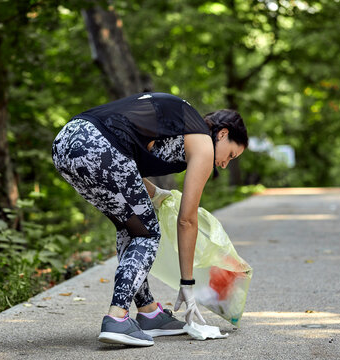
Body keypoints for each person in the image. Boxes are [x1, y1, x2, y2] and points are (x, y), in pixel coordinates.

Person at [52, 92, 248, 347]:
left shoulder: (180, 124)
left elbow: (126, 155)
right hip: (99, 145)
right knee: (147, 234)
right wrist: (187, 285)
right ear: (222, 134)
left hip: (67, 142)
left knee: (130, 228)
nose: (224, 164)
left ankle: (149, 312)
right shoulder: (202, 140)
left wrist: (157, 194)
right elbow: (186, 220)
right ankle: (117, 318)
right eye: (231, 155)